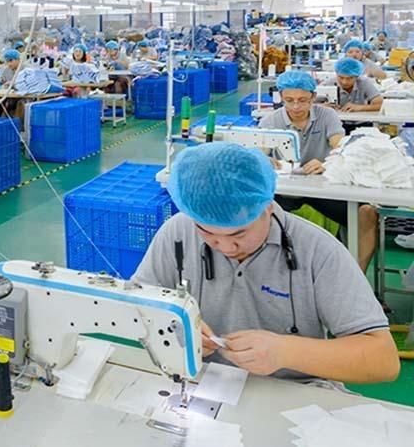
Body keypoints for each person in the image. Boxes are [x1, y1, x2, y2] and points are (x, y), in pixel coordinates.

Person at [132, 142, 400, 386]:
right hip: (202, 380)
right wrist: (173, 324)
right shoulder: (178, 232)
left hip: (295, 390)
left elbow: (383, 360)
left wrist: (286, 352)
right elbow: (136, 304)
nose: (225, 247)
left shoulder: (318, 250)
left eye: (239, 234)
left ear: (268, 207)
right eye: (207, 233)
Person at [258, 70, 378, 273]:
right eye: (289, 100)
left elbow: (340, 147)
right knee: (255, 210)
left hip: (323, 188)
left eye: (303, 100)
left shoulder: (327, 116)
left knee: (366, 213)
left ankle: (357, 276)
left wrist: (327, 163)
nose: (296, 107)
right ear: (281, 97)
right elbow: (260, 153)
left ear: (314, 96)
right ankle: (270, 272)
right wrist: (264, 160)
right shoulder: (270, 121)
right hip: (286, 190)